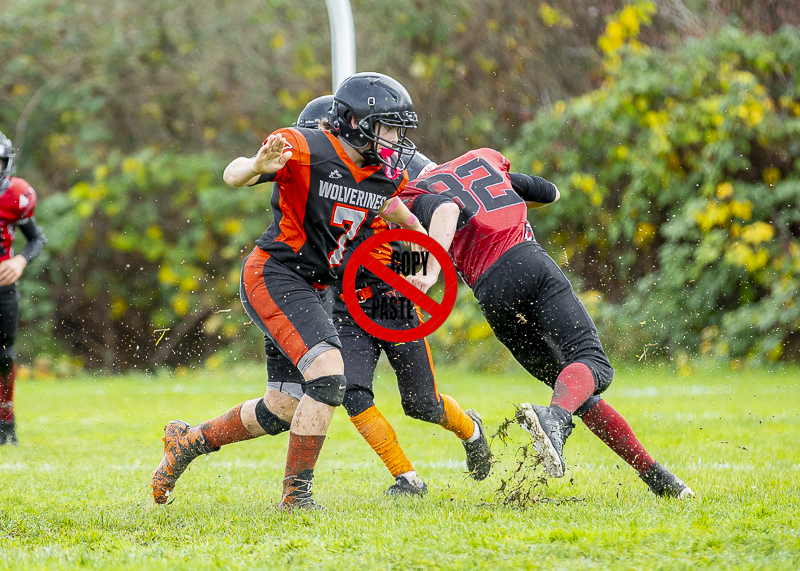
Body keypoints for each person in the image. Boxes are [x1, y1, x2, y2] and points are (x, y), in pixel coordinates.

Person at [151, 73, 427, 510]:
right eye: (388, 127)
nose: (396, 138)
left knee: (281, 407)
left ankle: (187, 442)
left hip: (313, 288)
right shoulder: (304, 147)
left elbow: (403, 222)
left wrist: (422, 265)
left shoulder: (380, 176)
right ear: (355, 122)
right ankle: (296, 497)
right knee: (330, 375)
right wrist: (256, 167)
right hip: (275, 273)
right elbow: (232, 172)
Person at [400, 148, 694, 499]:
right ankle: (554, 420)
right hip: (528, 262)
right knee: (593, 365)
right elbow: (550, 192)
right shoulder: (481, 160)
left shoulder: (412, 193)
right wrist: (504, 192)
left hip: (492, 294)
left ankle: (658, 478)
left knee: (572, 390)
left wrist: (426, 266)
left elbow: (431, 225)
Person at [330, 148, 491, 496]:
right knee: (353, 392)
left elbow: (413, 223)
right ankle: (407, 478)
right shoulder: (313, 187)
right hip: (345, 306)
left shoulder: (376, 179)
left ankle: (471, 430)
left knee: (422, 404)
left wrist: (418, 274)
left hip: (392, 301)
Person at [0, 130, 47, 446]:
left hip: (2, 286)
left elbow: (36, 238)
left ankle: (6, 423)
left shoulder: (15, 195)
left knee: (4, 355)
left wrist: (19, 262)